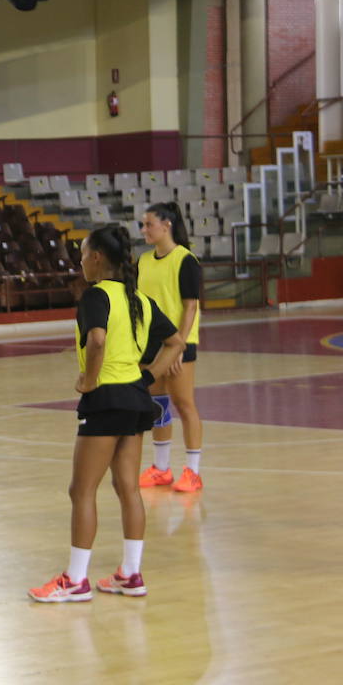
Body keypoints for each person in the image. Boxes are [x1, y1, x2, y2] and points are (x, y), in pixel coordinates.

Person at [29, 225, 184, 603]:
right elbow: (176, 341)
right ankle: (130, 575)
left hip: (106, 400)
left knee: (81, 490)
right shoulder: (141, 301)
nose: (80, 260)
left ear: (97, 257)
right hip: (135, 400)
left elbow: (97, 339)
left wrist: (88, 379)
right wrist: (148, 375)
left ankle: (76, 580)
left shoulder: (95, 296)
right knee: (128, 488)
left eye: (83, 253)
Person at [136, 202, 204, 492]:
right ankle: (161, 469)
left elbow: (190, 307)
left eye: (148, 224)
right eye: (142, 224)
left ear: (166, 225)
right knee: (158, 405)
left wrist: (177, 345)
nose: (143, 230)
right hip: (150, 345)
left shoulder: (185, 260)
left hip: (179, 343)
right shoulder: (142, 261)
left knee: (184, 404)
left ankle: (193, 471)